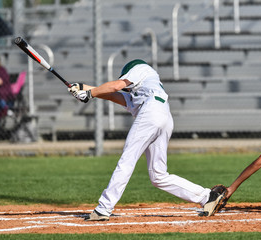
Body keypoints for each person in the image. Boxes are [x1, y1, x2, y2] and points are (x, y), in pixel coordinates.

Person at [68, 59, 227, 221]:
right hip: (164, 115)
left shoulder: (141, 69)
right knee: (158, 175)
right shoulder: (140, 93)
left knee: (127, 161)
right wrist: (82, 88)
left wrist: (89, 94)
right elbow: (112, 95)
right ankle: (207, 196)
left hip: (152, 112)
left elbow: (116, 86)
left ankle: (104, 208)